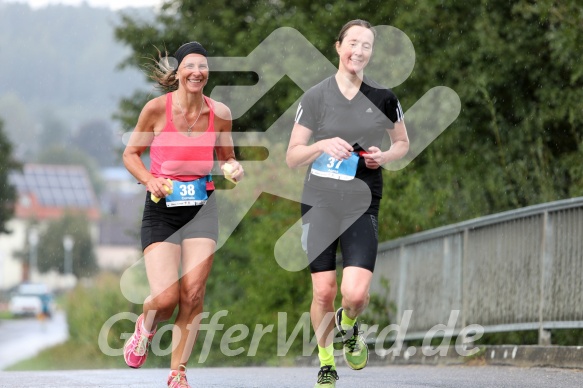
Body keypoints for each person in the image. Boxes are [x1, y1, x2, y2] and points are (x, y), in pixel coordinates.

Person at [286, 20, 409, 387]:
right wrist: (322, 145)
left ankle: (350, 324)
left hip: (362, 202)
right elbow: (293, 156)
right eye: (353, 43)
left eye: (366, 46)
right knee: (322, 291)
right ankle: (326, 361)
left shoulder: (384, 98)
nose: (359, 51)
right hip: (319, 201)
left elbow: (402, 143)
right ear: (338, 47)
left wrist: (383, 157)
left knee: (354, 294)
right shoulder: (315, 98)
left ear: (371, 53)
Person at [122, 41, 244, 388]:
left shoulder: (219, 113)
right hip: (161, 209)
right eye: (190, 66)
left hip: (202, 208)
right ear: (178, 72)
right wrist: (150, 179)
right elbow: (131, 154)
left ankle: (178, 372)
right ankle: (144, 329)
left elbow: (227, 156)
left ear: (207, 73)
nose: (197, 72)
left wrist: (234, 167)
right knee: (166, 298)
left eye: (203, 66)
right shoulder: (156, 110)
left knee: (193, 294)